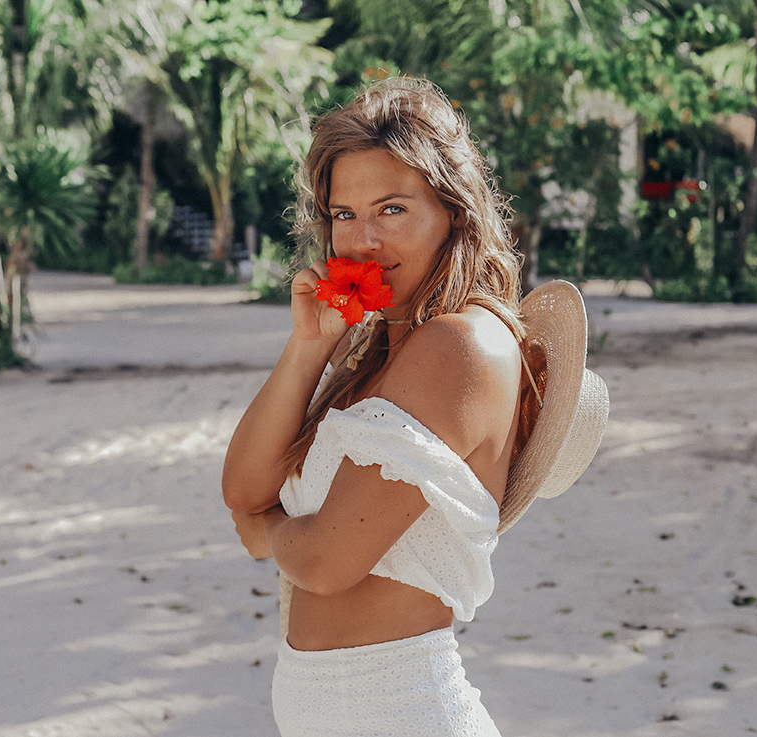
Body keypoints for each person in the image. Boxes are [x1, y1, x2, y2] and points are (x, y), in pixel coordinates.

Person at [222, 76, 608, 737]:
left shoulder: (459, 345)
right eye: (344, 215)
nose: (362, 241)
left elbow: (323, 561)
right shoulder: (380, 349)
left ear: (453, 211)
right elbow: (243, 486)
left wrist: (270, 534)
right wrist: (309, 346)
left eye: (392, 209)